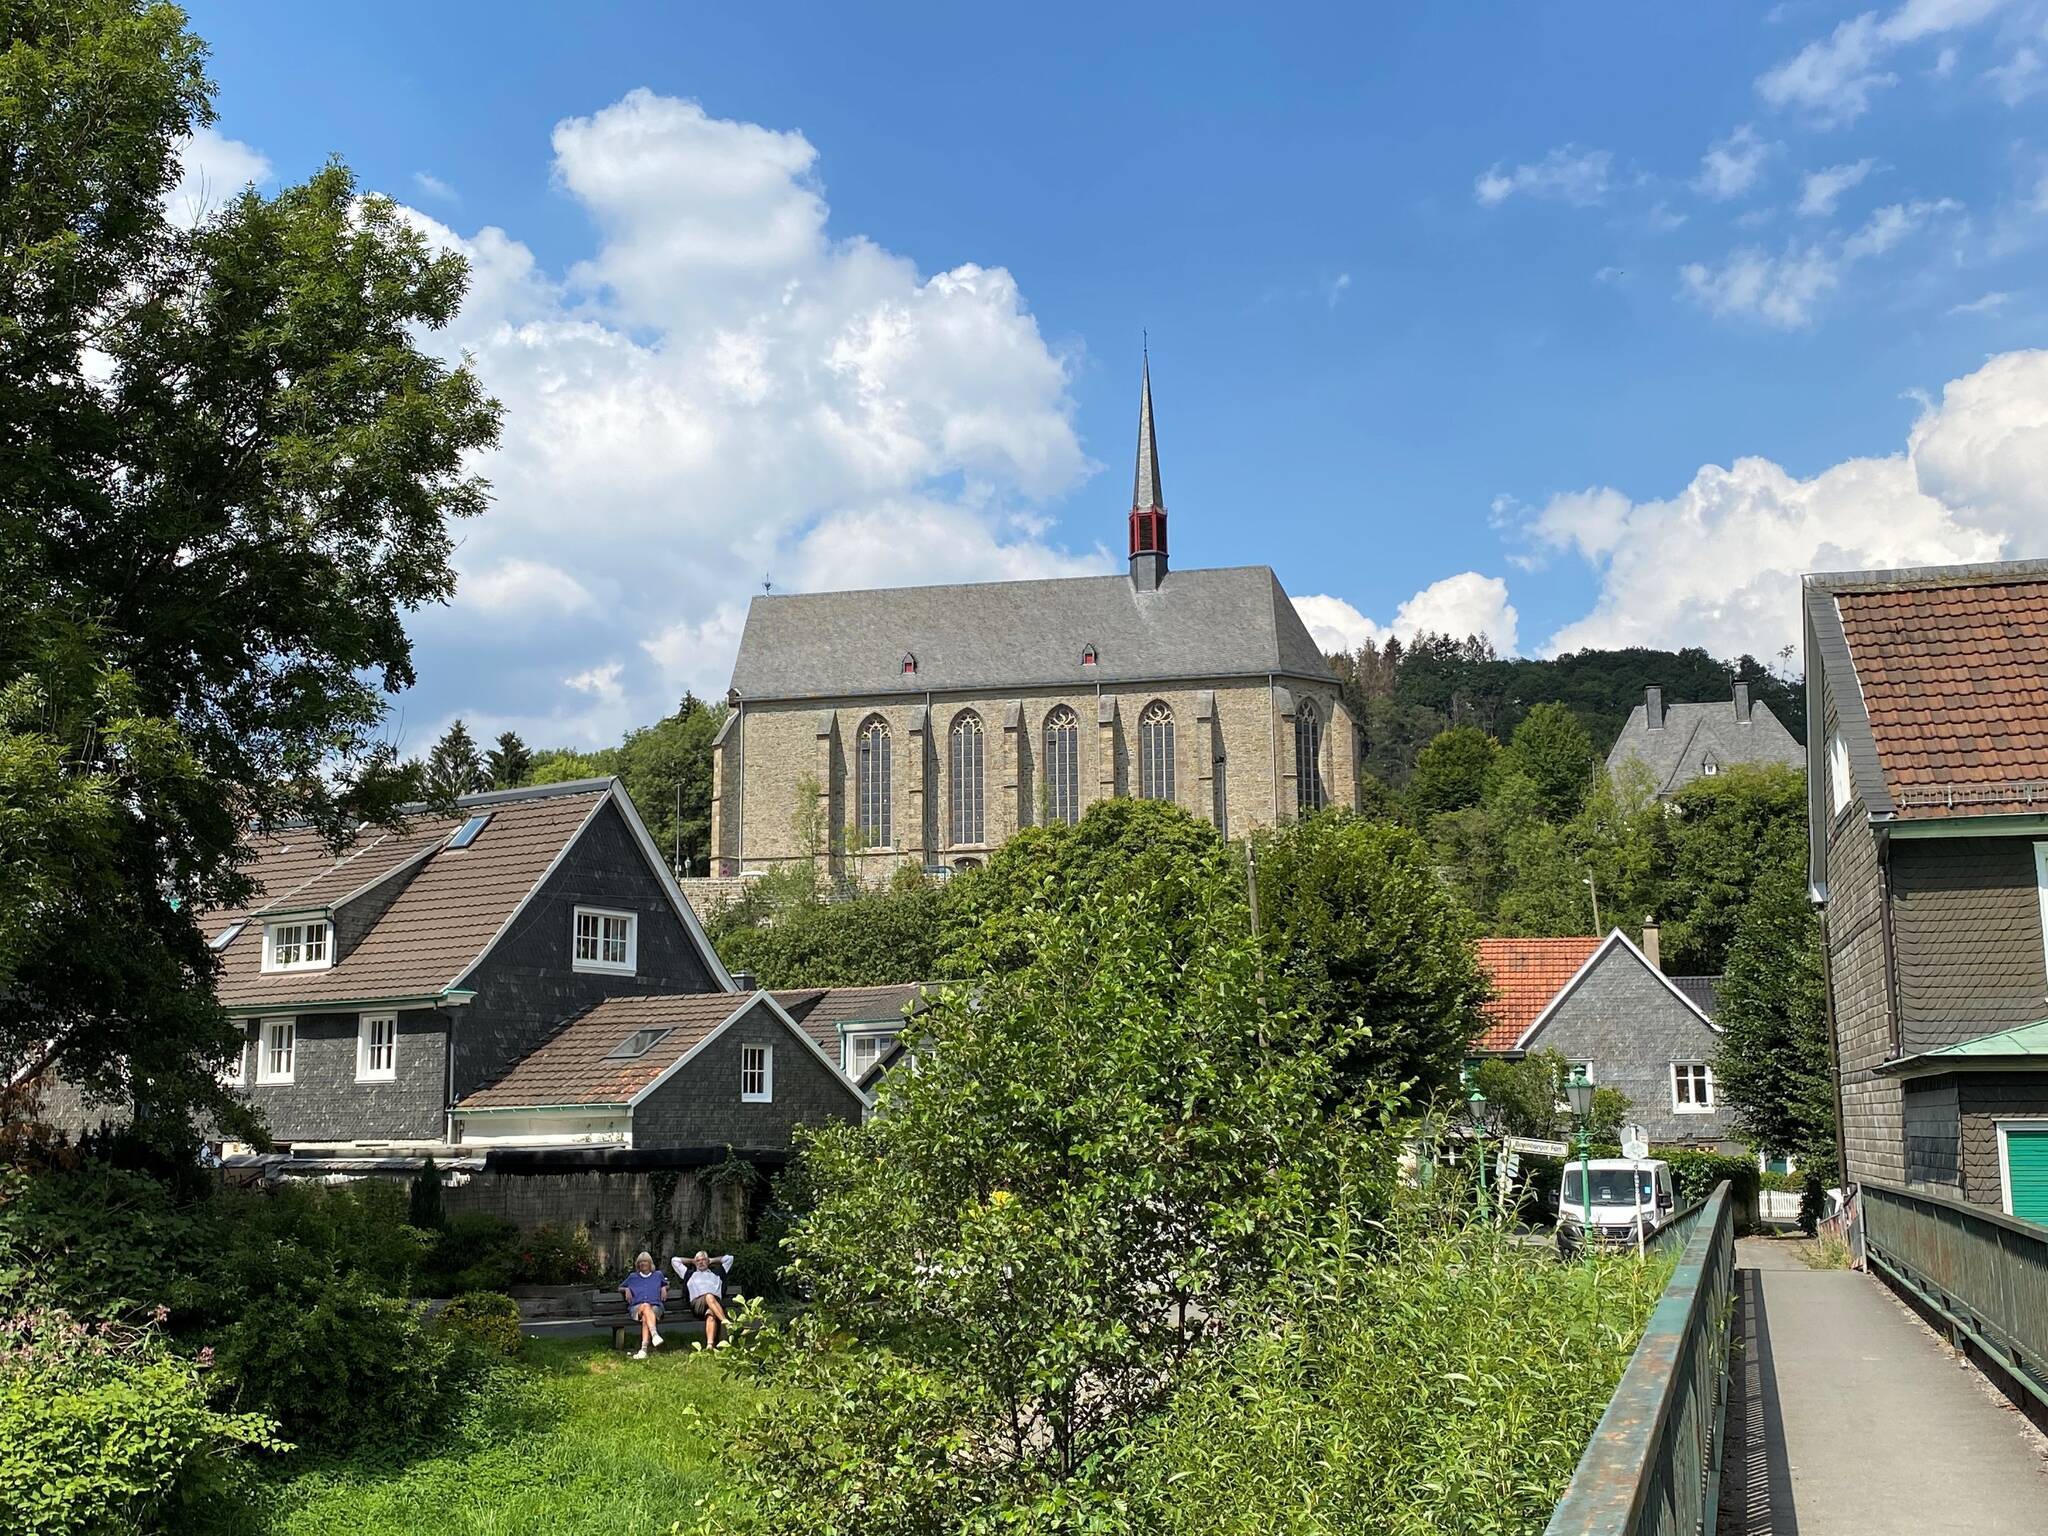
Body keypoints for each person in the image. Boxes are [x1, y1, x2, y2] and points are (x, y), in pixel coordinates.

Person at [672, 1250, 735, 1347]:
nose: (701, 1262)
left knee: (711, 1315)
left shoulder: (718, 1273)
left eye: (704, 1260)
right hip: (697, 1305)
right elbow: (674, 1261)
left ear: (708, 1262)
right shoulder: (689, 1274)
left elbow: (729, 1258)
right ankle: (726, 1323)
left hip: (715, 1304)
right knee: (709, 1296)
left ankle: (710, 1345)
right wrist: (692, 1260)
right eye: (698, 1261)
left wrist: (712, 1260)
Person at [618, 1251, 668, 1359]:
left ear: (650, 1263)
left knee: (647, 1315)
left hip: (656, 1307)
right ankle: (654, 1335)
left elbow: (666, 1284)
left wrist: (664, 1288)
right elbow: (620, 1287)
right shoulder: (632, 1277)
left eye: (645, 1261)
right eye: (640, 1262)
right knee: (645, 1306)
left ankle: (643, 1350)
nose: (642, 1264)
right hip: (637, 1308)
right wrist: (626, 1289)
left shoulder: (658, 1275)